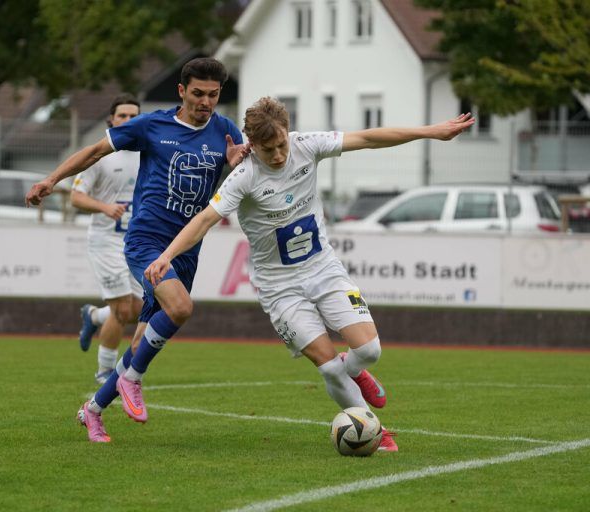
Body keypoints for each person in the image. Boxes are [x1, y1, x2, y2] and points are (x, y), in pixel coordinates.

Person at [145, 97, 476, 451]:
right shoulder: (244, 176)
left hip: (324, 269)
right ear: (252, 146)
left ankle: (357, 367)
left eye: (282, 144)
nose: (278, 155)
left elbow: (368, 138)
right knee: (329, 366)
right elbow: (204, 220)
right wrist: (167, 255)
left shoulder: (307, 146)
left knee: (369, 350)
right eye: (268, 149)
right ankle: (373, 430)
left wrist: (431, 132)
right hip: (280, 288)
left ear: (289, 133)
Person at [26, 57, 248, 442]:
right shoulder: (152, 125)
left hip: (187, 250)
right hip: (145, 241)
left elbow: (248, 177)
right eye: (197, 93)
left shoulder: (226, 132)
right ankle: (133, 379)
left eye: (213, 95)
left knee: (141, 340)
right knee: (180, 308)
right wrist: (51, 179)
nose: (205, 102)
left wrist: (235, 165)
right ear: (182, 91)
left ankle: (93, 410)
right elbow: (95, 150)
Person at [71, 93, 144, 384]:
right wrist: (104, 207)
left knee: (138, 310)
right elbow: (76, 198)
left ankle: (94, 317)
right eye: (122, 116)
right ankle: (105, 372)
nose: (128, 121)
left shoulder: (147, 152)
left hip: (137, 242)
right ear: (111, 121)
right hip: (105, 240)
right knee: (123, 308)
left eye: (133, 116)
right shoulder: (100, 155)